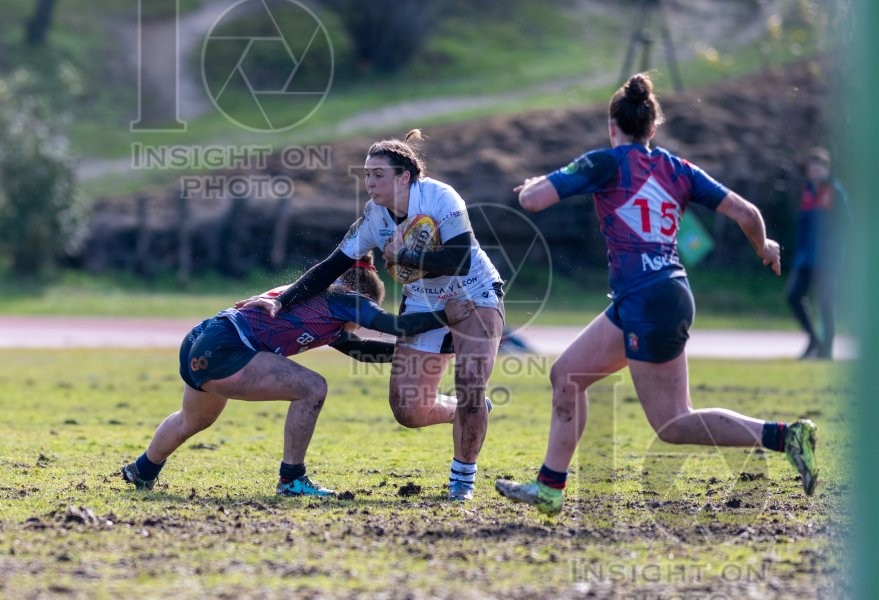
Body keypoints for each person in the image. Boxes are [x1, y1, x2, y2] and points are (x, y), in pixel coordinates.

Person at [494, 73, 819, 515]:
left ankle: (785, 436)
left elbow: (532, 200)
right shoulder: (677, 168)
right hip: (660, 293)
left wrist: (535, 182)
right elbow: (746, 212)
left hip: (648, 302)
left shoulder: (604, 163)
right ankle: (550, 488)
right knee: (567, 376)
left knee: (672, 422)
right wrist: (765, 247)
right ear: (653, 127)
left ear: (613, 126)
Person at [238, 131, 505, 501]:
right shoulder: (373, 218)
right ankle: (468, 412)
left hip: (473, 293)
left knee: (471, 382)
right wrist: (281, 302)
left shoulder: (440, 197)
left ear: (404, 177)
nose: (369, 182)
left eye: (378, 174)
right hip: (424, 301)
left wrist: (406, 256)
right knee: (408, 410)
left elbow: (458, 260)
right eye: (366, 175)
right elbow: (329, 269)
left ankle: (461, 484)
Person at [121, 253, 473, 496]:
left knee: (192, 420)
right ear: (365, 295)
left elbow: (360, 351)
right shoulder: (347, 298)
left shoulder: (316, 302)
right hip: (227, 346)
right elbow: (395, 325)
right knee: (312, 388)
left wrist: (434, 351)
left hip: (202, 338)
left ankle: (142, 470)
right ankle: (292, 479)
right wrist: (448, 316)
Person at [786, 147, 849, 360]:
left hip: (828, 260)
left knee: (826, 302)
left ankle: (826, 351)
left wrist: (833, 253)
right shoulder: (807, 192)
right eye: (810, 168)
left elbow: (844, 226)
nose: (813, 172)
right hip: (806, 258)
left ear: (826, 168)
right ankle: (814, 338)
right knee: (793, 296)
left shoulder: (835, 192)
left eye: (817, 167)